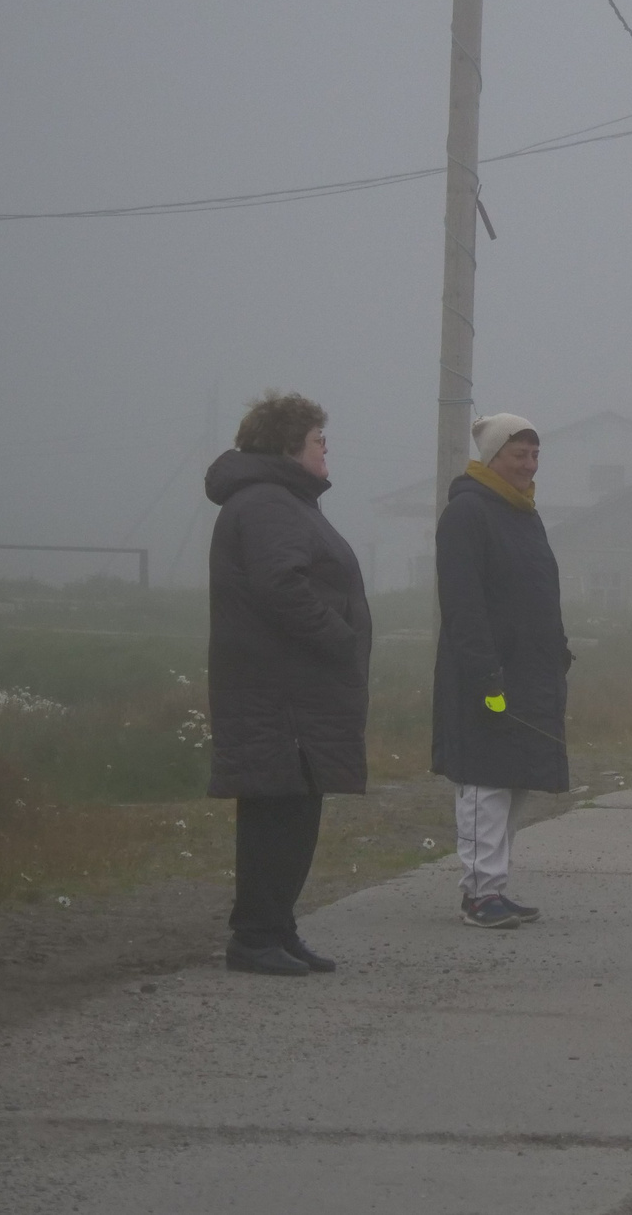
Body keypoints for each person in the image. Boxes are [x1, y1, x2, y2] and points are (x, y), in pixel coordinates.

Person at [205, 391, 371, 976]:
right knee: (276, 817)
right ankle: (254, 938)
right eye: (317, 440)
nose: (326, 450)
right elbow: (282, 586)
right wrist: (340, 638)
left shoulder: (282, 501)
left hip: (293, 693)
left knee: (292, 814)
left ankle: (277, 928)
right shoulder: (270, 504)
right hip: (281, 695)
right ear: (287, 447)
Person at [432, 414, 571, 931]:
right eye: (519, 455)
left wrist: (557, 653)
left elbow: (539, 593)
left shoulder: (522, 513)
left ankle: (495, 885)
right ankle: (477, 894)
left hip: (531, 675)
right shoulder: (467, 513)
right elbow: (463, 606)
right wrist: (486, 679)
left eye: (535, 455)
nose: (529, 465)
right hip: (484, 679)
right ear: (492, 457)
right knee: (483, 786)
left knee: (514, 784)